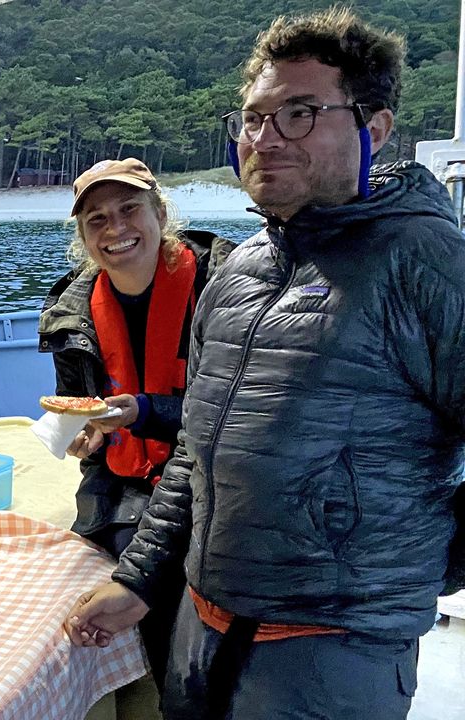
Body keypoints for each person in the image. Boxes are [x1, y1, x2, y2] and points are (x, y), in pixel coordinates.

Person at [65, 8, 465, 719]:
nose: (264, 139)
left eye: (300, 114)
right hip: (201, 624)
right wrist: (140, 580)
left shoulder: (428, 263)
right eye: (252, 118)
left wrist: (419, 566)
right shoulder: (243, 267)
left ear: (373, 130)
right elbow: (195, 451)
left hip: (332, 653)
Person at [39, 157, 233, 694]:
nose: (116, 229)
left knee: (181, 569)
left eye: (129, 209)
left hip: (217, 471)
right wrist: (85, 435)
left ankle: (188, 690)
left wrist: (145, 411)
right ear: (82, 236)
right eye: (96, 220)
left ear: (159, 212)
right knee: (92, 562)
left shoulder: (224, 286)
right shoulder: (70, 313)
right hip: (124, 475)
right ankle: (139, 688)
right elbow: (80, 404)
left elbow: (234, 411)